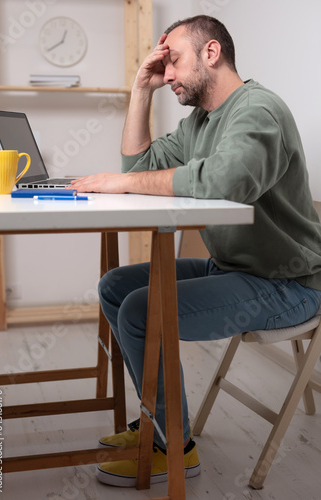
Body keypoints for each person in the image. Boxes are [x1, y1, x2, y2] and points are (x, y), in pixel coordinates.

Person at [70, 15, 321, 488]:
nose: (167, 75)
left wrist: (125, 182)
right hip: (233, 267)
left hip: (286, 284)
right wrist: (140, 91)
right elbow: (139, 166)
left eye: (174, 62)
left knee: (143, 310)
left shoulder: (258, 110)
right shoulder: (199, 123)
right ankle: (157, 420)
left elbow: (224, 184)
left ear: (211, 53)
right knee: (116, 285)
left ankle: (174, 447)